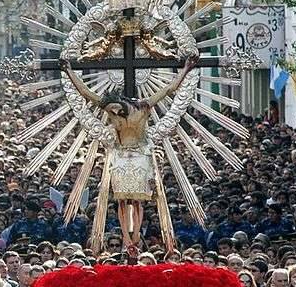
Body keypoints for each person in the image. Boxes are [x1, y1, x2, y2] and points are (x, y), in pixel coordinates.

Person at [60, 57, 197, 251]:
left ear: (122, 102)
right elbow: (85, 92)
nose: (113, 113)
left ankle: (136, 236)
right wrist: (69, 71)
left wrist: (185, 69)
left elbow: (168, 90)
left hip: (140, 155)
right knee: (122, 200)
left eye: (115, 109)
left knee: (138, 200)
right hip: (121, 155)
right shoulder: (111, 109)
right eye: (110, 111)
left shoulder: (143, 106)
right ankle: (126, 238)